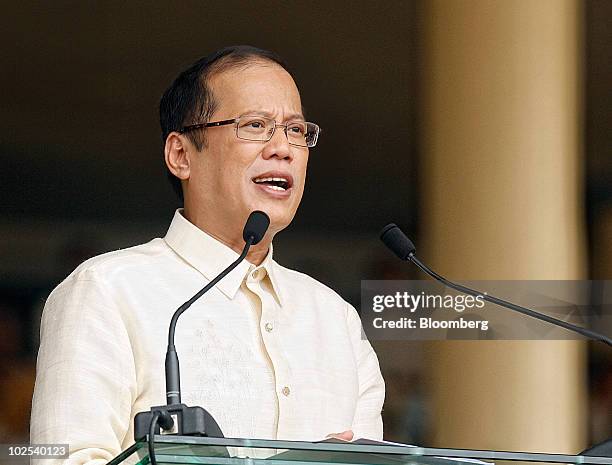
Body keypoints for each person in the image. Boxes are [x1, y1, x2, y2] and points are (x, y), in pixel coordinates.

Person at [30, 45, 385, 464]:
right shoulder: (107, 290)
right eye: (255, 125)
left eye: (296, 130)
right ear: (181, 154)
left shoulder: (335, 318)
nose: (284, 148)